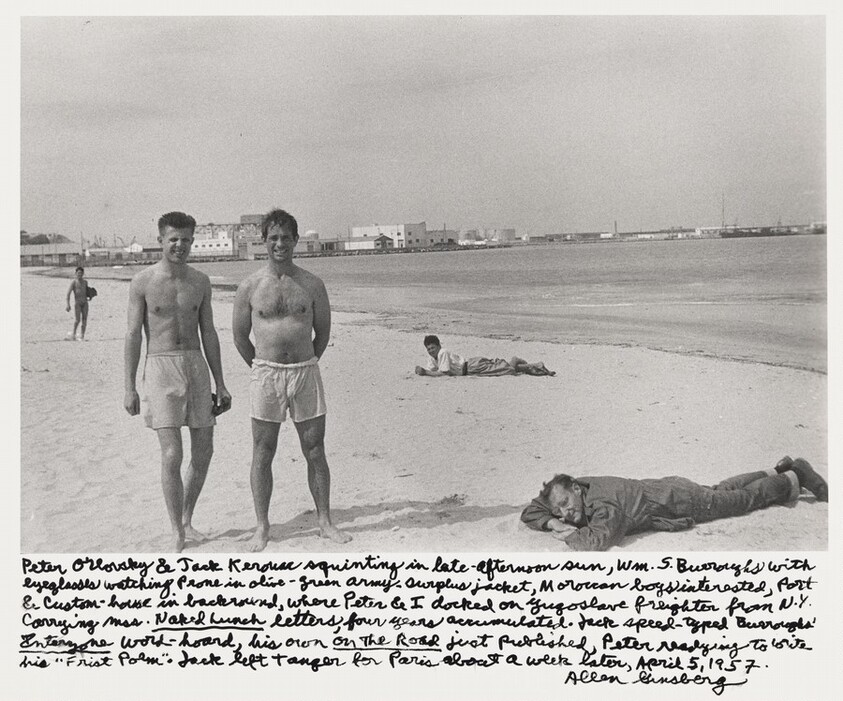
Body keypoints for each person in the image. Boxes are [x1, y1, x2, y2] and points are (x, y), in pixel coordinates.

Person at [232, 208, 351, 551]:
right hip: (265, 374)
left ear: (296, 240)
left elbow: (323, 332)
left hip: (305, 372)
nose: (280, 243)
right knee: (262, 451)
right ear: (264, 241)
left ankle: (325, 521)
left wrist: (303, 362)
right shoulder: (250, 286)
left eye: (286, 237)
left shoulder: (312, 284)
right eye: (273, 238)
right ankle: (262, 527)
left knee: (315, 450)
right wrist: (260, 368)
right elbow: (241, 337)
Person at [123, 211, 231, 552]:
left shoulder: (200, 281)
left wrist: (221, 382)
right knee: (172, 453)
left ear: (192, 241)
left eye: (186, 239)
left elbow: (209, 332)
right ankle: (175, 530)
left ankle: (186, 518)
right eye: (173, 239)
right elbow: (132, 336)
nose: (179, 245)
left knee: (204, 452)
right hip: (160, 366)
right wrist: (129, 386)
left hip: (196, 366)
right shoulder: (142, 282)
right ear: (160, 240)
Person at [521, 456, 828, 551]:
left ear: (575, 488)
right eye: (558, 509)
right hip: (668, 487)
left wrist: (564, 531)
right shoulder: (581, 485)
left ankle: (793, 476)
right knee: (720, 490)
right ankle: (776, 469)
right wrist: (552, 520)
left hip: (678, 501)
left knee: (741, 501)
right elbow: (533, 509)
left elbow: (597, 541)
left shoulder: (602, 504)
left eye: (565, 504)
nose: (565, 512)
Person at [414, 334, 555, 377]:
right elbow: (434, 371)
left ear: (439, 346)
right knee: (505, 369)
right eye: (428, 349)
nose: (431, 351)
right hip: (471, 368)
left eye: (432, 348)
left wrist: (424, 372)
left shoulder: (443, 352)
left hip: (471, 367)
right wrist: (426, 371)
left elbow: (443, 373)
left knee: (508, 369)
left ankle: (515, 360)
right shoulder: (433, 357)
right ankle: (534, 366)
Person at [65, 266, 91, 340]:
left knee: (84, 319)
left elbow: (87, 292)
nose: (80, 275)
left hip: (85, 303)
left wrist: (90, 296)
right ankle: (74, 333)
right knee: (77, 320)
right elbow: (68, 294)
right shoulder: (74, 282)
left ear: (83, 274)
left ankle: (82, 335)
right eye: (78, 273)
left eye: (81, 273)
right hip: (77, 303)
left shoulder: (85, 282)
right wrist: (68, 304)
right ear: (76, 273)